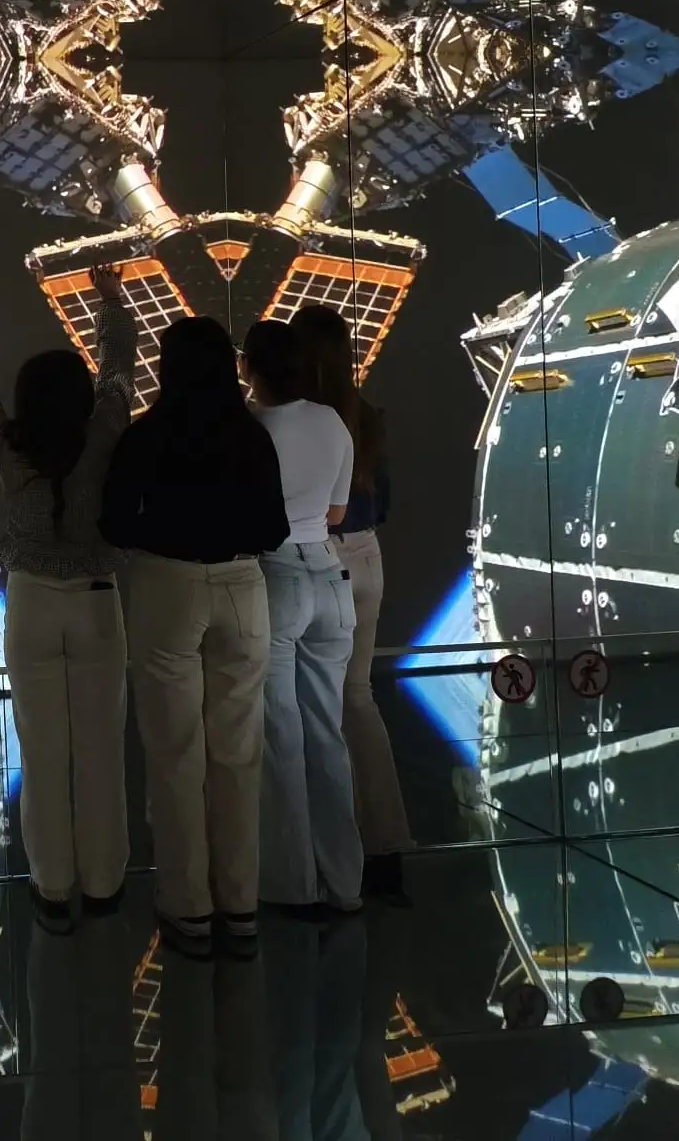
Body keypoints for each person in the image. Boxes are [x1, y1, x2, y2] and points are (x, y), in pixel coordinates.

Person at [0, 269, 135, 929]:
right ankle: (105, 885)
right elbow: (119, 375)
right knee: (102, 751)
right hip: (97, 603)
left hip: (30, 605)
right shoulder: (104, 433)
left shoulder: (10, 446)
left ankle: (52, 889)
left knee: (43, 751)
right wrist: (112, 306)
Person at [102, 316, 291, 959]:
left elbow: (115, 524)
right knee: (238, 753)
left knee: (175, 753)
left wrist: (164, 532)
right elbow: (273, 529)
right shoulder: (252, 435)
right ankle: (240, 905)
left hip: (166, 587)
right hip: (243, 587)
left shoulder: (145, 435)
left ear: (167, 366)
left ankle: (188, 907)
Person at [290, 304, 414, 902]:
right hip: (367, 557)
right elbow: (382, 503)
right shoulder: (366, 417)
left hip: (315, 558)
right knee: (357, 699)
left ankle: (327, 858)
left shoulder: (298, 422)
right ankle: (386, 847)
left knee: (311, 710)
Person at [242, 316, 364, 916]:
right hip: (329, 574)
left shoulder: (250, 428)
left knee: (281, 736)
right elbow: (337, 513)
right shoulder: (332, 421)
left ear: (249, 367)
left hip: (276, 576)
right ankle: (346, 885)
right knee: (327, 732)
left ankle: (293, 887)